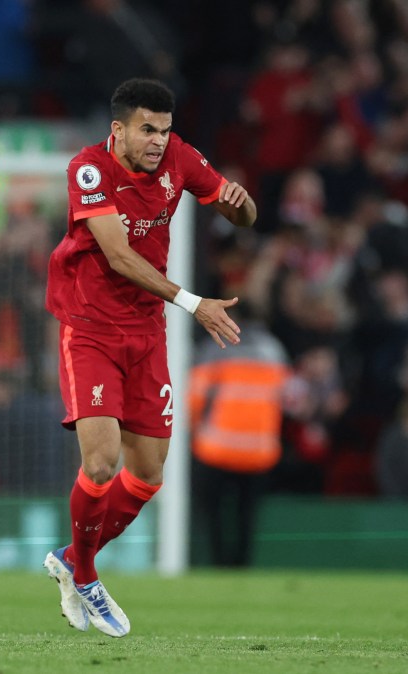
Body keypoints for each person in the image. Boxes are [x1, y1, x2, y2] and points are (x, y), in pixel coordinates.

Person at [42, 78, 256, 637]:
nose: (159, 141)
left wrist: (240, 203)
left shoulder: (180, 157)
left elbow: (242, 217)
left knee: (147, 475)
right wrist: (194, 303)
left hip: (146, 331)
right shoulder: (88, 169)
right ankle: (85, 573)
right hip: (90, 329)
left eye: (164, 129)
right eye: (147, 130)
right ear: (119, 130)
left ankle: (70, 558)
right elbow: (116, 255)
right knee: (101, 463)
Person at [188, 310, 289, 567]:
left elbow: (195, 398)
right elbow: (288, 398)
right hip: (260, 451)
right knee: (247, 515)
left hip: (215, 448)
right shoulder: (273, 349)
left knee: (214, 514)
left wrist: (196, 431)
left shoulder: (214, 346)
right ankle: (242, 565)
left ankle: (219, 563)